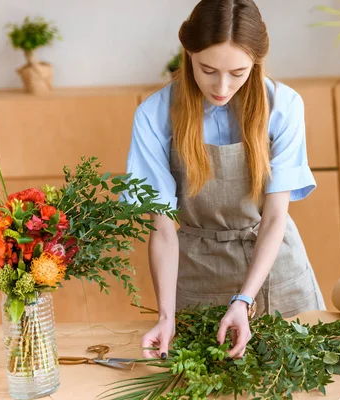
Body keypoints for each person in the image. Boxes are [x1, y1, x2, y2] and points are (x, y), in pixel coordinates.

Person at [123, 0, 326, 361]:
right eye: (207, 69)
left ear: (256, 62)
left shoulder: (282, 105)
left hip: (274, 268)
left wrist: (244, 299)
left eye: (238, 72)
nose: (221, 86)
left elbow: (276, 216)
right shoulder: (154, 116)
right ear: (188, 52)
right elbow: (163, 228)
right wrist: (165, 316)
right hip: (195, 270)